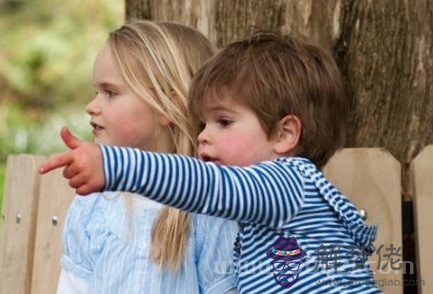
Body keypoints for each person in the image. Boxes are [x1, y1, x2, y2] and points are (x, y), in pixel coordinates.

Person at [41, 32, 384, 293]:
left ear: (284, 135)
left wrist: (115, 165)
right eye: (203, 123)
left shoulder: (290, 182)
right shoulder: (259, 211)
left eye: (223, 122)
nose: (202, 136)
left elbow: (205, 186)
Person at [53, 21, 239, 294]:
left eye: (110, 93)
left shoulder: (209, 214)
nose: (91, 106)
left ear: (169, 105)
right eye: (96, 92)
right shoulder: (93, 205)